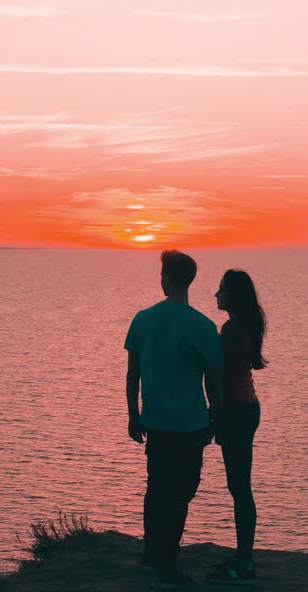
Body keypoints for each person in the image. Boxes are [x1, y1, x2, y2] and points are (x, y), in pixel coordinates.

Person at [126, 250, 224, 590]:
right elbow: (213, 380)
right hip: (191, 424)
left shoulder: (143, 319)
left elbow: (132, 374)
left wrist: (133, 414)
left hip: (156, 422)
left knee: (157, 489)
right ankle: (165, 561)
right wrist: (218, 417)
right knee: (182, 491)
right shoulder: (202, 326)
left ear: (167, 278)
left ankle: (153, 555)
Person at [204, 269, 268, 586]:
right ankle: (243, 557)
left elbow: (220, 377)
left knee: (240, 488)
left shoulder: (231, 330)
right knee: (239, 487)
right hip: (246, 408)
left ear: (233, 295)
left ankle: (244, 561)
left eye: (221, 289)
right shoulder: (245, 326)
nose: (216, 295)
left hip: (237, 412)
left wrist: (216, 417)